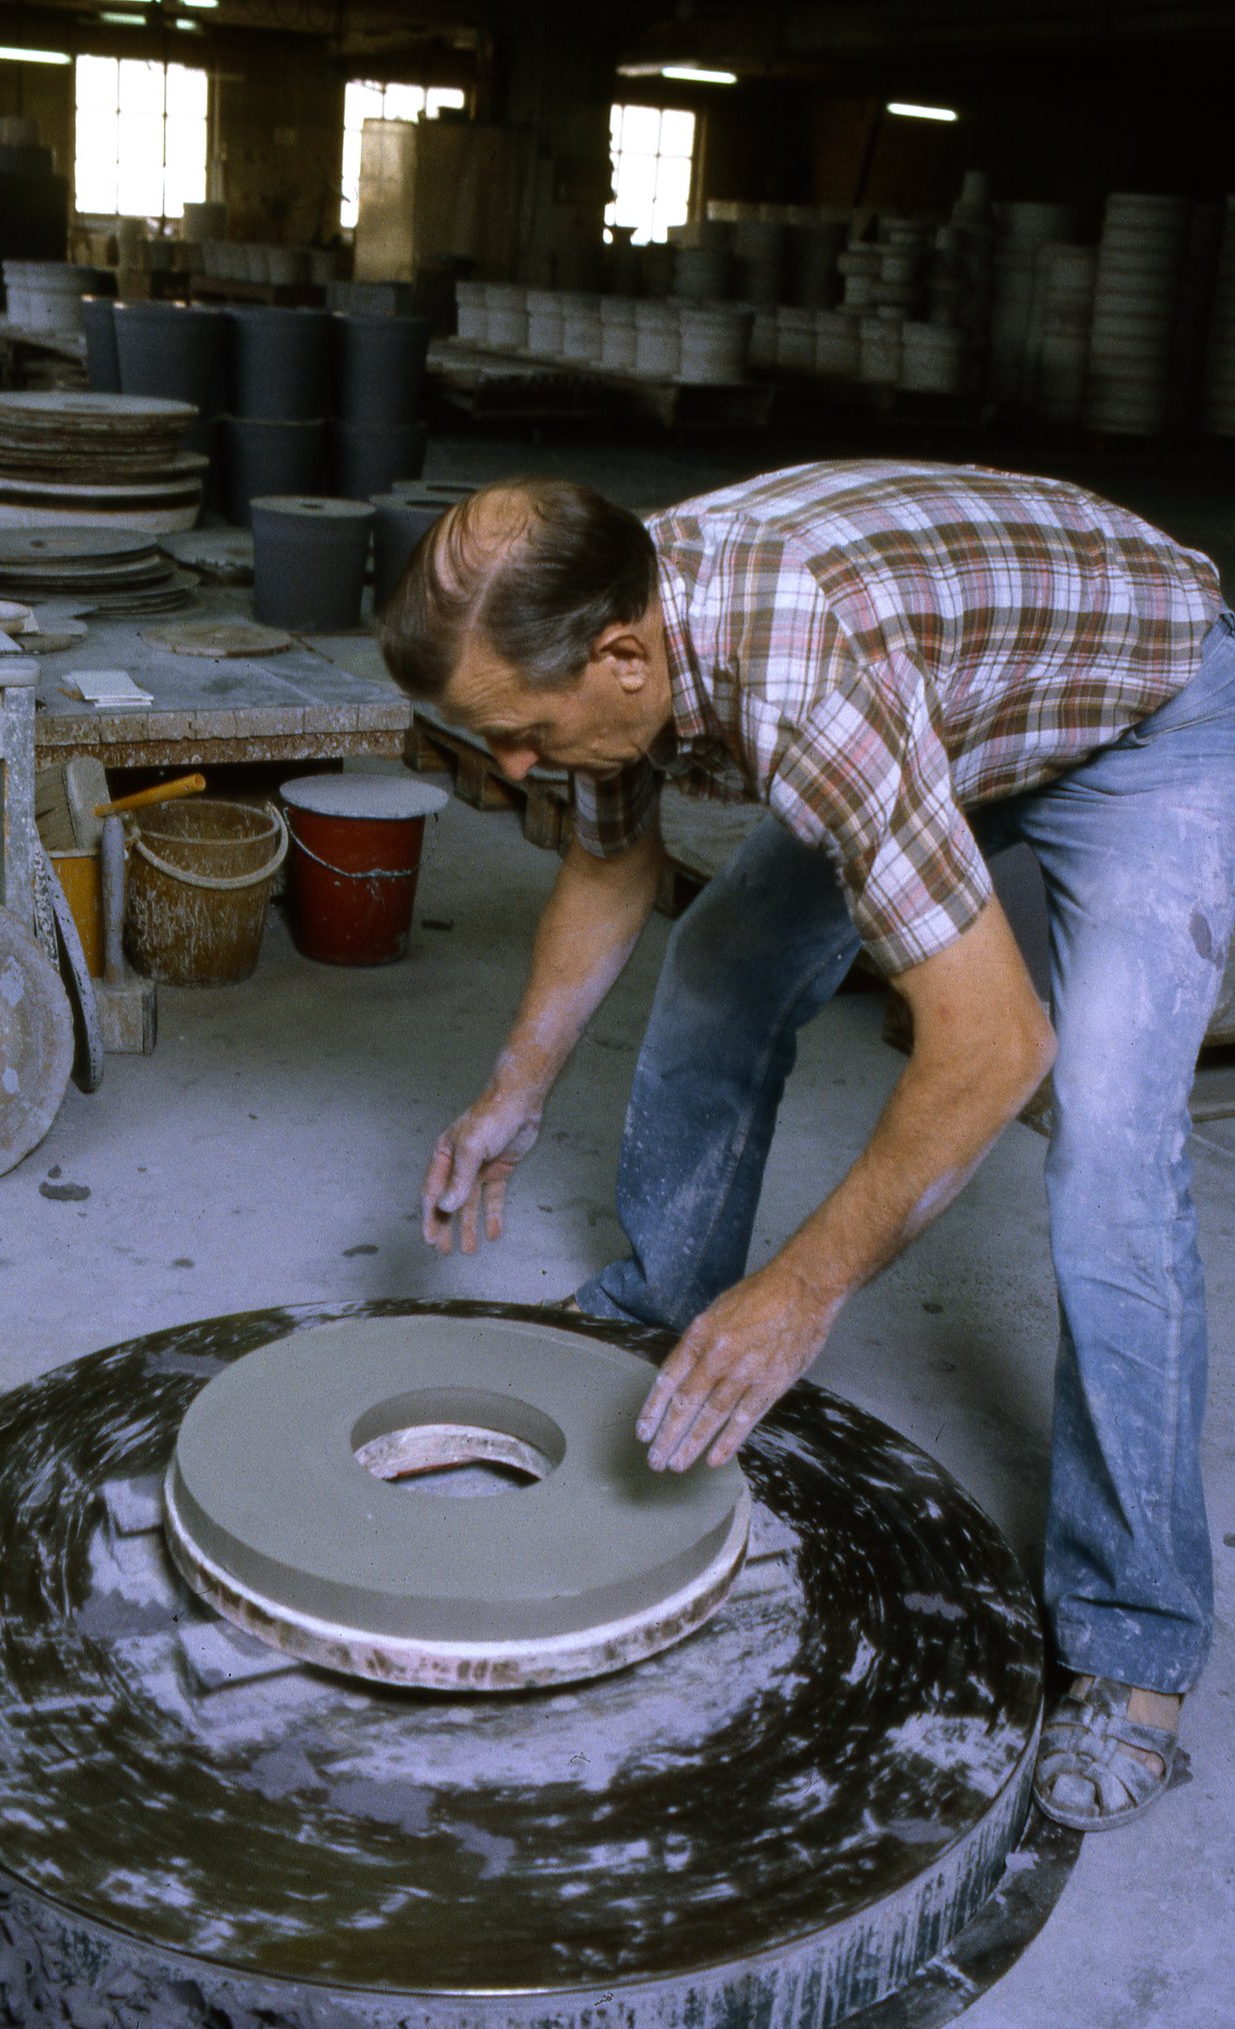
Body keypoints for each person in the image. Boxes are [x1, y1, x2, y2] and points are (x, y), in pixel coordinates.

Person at [379, 460, 1235, 1832]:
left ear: (623, 656)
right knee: (722, 959)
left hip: (1139, 712)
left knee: (1112, 1168)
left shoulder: (805, 680)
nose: (517, 768)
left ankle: (1135, 1642)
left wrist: (796, 1295)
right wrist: (515, 1086)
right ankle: (659, 1311)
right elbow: (612, 865)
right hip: (950, 707)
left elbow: (994, 1049)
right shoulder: (609, 631)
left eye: (525, 733)